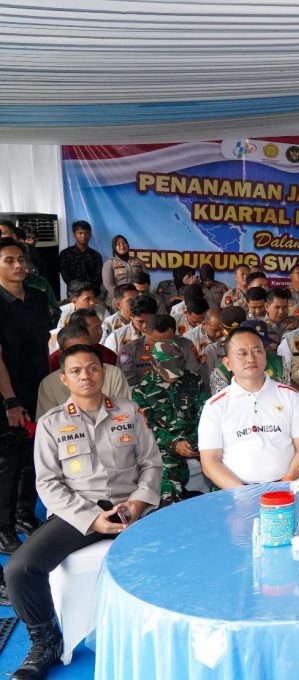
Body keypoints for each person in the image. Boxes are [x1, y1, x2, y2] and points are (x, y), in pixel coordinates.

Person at [3, 344, 161, 679]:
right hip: (78, 514)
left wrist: (138, 502)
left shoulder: (129, 411)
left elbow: (151, 464)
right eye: (75, 371)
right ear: (64, 379)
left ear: (104, 372)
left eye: (92, 368)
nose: (85, 375)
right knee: (19, 569)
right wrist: (91, 519)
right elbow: (48, 484)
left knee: (178, 551)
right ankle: (46, 642)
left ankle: (164, 628)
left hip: (131, 509)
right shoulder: (51, 423)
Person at [198, 326, 299, 488]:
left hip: (288, 487)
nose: (251, 358)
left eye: (257, 351)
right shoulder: (215, 406)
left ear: (266, 357)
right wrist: (243, 493)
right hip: (236, 492)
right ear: (228, 363)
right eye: (242, 353)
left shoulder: (291, 396)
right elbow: (210, 461)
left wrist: (287, 482)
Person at [0, 238, 53, 551]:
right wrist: (11, 400)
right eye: (9, 260)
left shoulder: (37, 298)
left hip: (37, 388)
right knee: (8, 462)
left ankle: (24, 515)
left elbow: (44, 344)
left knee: (33, 456)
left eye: (21, 259)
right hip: (7, 394)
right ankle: (3, 527)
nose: (18, 265)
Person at [133, 341, 207, 505]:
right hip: (165, 446)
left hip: (197, 442)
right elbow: (148, 428)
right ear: (154, 365)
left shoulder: (194, 380)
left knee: (219, 465)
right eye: (168, 373)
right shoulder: (142, 390)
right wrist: (174, 444)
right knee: (168, 479)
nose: (173, 377)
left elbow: (204, 416)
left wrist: (194, 443)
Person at [38, 323, 131, 414]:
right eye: (74, 351)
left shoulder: (113, 373)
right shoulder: (49, 384)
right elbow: (47, 419)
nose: (85, 376)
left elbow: (126, 413)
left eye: (87, 348)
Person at [118, 313, 202, 388]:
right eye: (155, 342)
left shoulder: (186, 345)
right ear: (145, 332)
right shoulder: (129, 351)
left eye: (167, 342)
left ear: (175, 335)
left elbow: (195, 376)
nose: (161, 347)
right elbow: (128, 386)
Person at [49, 308, 118, 371]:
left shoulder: (107, 354)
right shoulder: (54, 361)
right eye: (96, 328)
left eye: (100, 326)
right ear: (80, 330)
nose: (101, 332)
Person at [101, 234, 146, 306]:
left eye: (124, 243)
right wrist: (123, 297)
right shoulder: (110, 263)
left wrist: (138, 294)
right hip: (117, 298)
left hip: (137, 297)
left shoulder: (138, 261)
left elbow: (145, 279)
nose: (122, 245)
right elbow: (109, 285)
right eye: (118, 244)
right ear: (114, 247)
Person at [57, 220, 103, 290]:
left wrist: (88, 289)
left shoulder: (96, 256)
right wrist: (78, 289)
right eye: (80, 233)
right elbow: (65, 275)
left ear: (90, 235)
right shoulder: (65, 254)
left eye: (87, 233)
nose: (83, 236)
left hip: (92, 292)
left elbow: (98, 277)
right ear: (74, 235)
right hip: (74, 292)